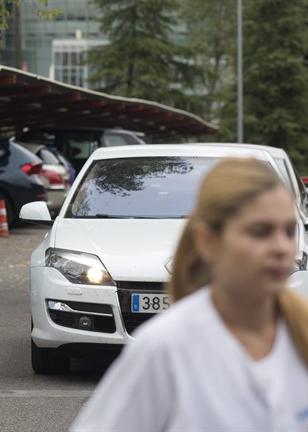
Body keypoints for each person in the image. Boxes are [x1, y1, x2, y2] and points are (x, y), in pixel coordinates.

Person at [70, 158, 308, 432]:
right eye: (260, 232)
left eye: (289, 231)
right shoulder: (166, 347)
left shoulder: (299, 335)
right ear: (208, 242)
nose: (281, 248)